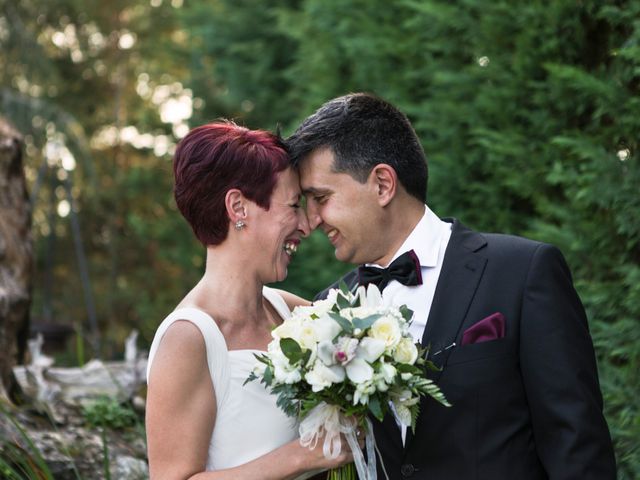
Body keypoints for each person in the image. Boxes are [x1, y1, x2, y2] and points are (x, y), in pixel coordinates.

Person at [286, 93, 617, 479]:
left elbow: (577, 447)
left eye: (320, 198)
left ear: (382, 184)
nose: (310, 222)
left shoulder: (522, 273)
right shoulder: (328, 310)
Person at [145, 121, 355, 479]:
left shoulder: (291, 313)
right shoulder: (188, 340)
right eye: (292, 205)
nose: (306, 225)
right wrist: (302, 457)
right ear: (238, 207)